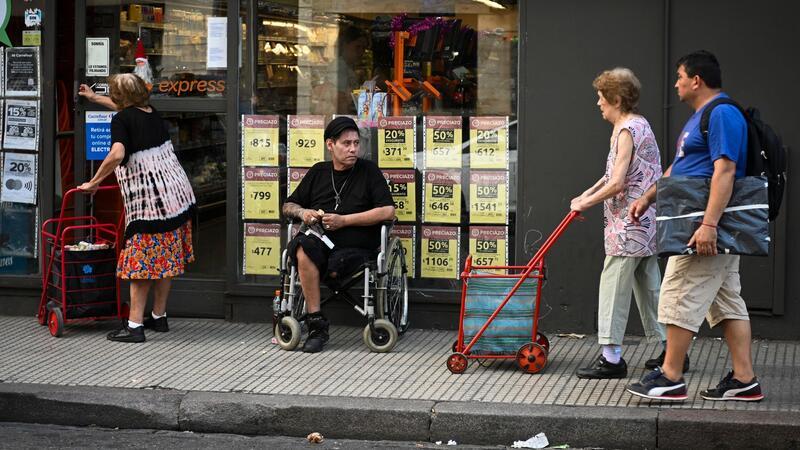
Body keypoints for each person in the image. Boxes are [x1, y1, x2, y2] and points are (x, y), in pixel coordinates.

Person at [626, 50, 764, 401]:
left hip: (703, 227)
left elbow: (726, 170)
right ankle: (744, 380)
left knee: (679, 293)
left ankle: (671, 376)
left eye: (680, 77)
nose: (676, 84)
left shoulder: (722, 114)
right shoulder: (701, 117)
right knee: (727, 302)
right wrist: (649, 197)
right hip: (700, 223)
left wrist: (709, 225)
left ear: (696, 80)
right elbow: (681, 166)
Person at [77, 74, 197, 343]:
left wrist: (94, 182)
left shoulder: (121, 120)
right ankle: (159, 316)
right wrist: (95, 99)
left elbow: (118, 154)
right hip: (177, 198)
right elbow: (126, 110)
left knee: (140, 266)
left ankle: (134, 326)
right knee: (166, 260)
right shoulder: (151, 112)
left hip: (149, 205)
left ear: (121, 97)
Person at [570, 68, 668, 379]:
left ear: (615, 99)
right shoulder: (635, 125)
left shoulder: (627, 131)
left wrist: (585, 202)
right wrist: (586, 192)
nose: (598, 103)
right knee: (649, 286)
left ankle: (611, 358)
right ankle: (672, 349)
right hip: (643, 223)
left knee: (613, 285)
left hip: (629, 225)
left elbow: (617, 183)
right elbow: (611, 176)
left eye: (601, 98)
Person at [282, 116, 395, 353]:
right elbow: (288, 205)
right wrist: (304, 213)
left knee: (328, 257)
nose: (353, 148)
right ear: (330, 145)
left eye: (356, 143)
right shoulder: (318, 172)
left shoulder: (368, 171)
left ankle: (324, 302)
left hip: (359, 244)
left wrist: (344, 221)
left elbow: (388, 211)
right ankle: (316, 324)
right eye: (346, 143)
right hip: (321, 241)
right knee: (303, 247)